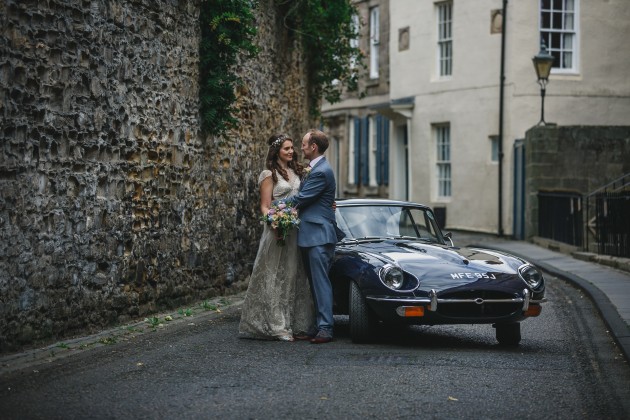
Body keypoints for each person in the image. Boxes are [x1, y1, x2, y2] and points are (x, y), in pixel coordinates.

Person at [238, 134, 316, 341]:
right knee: (275, 274)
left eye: (292, 148)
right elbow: (265, 205)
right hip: (277, 230)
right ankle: (276, 325)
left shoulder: (298, 171)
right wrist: (272, 220)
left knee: (294, 274)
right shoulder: (268, 174)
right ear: (276, 152)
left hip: (296, 230)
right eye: (286, 149)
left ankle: (296, 323)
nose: (291, 152)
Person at [288, 129, 341, 344]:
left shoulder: (320, 171)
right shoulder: (315, 168)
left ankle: (326, 328)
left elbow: (304, 197)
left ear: (313, 147)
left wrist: (272, 207)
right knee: (314, 283)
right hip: (311, 233)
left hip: (318, 234)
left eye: (304, 144)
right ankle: (319, 325)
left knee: (320, 283)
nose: (301, 148)